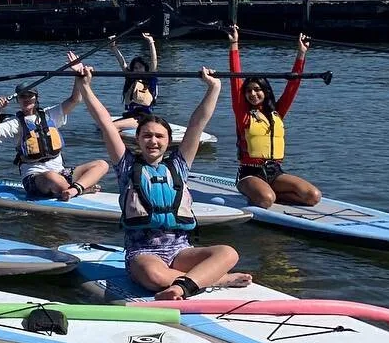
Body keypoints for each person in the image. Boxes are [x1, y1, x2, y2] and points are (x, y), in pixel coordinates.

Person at [76, 65, 251, 299]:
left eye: (159, 136)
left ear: (169, 141)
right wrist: (85, 86)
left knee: (228, 253)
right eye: (147, 135)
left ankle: (181, 287)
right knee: (155, 277)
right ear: (137, 139)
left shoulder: (179, 166)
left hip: (180, 250)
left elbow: (197, 124)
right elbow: (106, 123)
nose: (153, 141)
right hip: (143, 252)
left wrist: (213, 87)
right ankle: (216, 279)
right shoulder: (127, 167)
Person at [0, 53, 108, 199]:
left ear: (36, 98)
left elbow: (75, 99)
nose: (27, 99)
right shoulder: (16, 123)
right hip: (35, 178)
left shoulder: (50, 114)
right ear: (18, 100)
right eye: (23, 96)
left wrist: (77, 76)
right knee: (51, 177)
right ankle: (79, 188)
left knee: (101, 164)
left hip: (61, 172)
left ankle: (73, 189)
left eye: (30, 95)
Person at [228, 26, 322, 208]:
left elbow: (293, 86)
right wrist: (234, 44)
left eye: (257, 90)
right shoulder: (243, 115)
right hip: (249, 174)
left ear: (266, 91)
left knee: (313, 196)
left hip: (275, 172)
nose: (253, 94)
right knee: (266, 199)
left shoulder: (277, 112)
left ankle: (272, 193)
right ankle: (264, 194)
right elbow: (235, 79)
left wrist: (301, 53)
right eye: (248, 91)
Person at [109, 31, 160, 130]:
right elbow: (122, 62)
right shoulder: (130, 78)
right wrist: (113, 46)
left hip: (142, 118)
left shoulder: (150, 78)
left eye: (140, 67)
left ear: (145, 68)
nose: (137, 70)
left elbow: (154, 61)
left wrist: (151, 42)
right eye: (135, 68)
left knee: (111, 127)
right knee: (103, 126)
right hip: (130, 115)